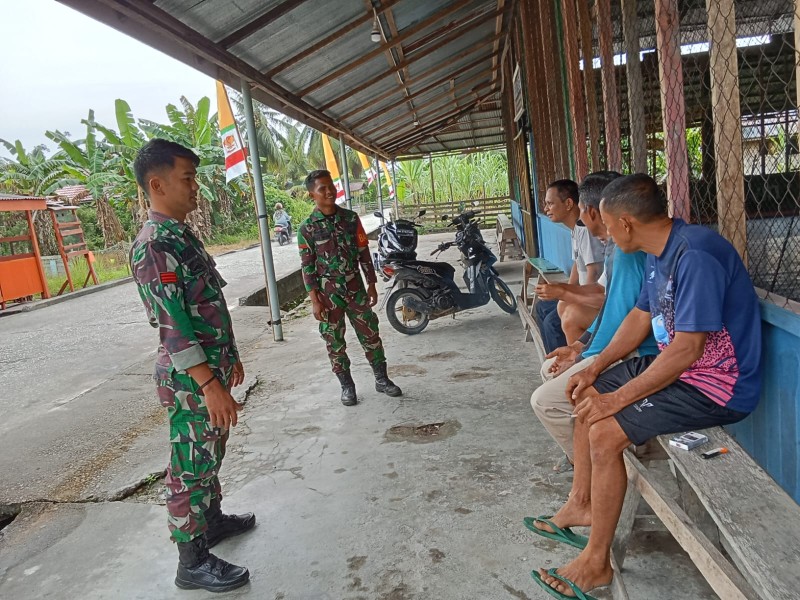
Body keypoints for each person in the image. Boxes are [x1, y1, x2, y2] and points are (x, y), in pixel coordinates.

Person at [531, 174, 761, 599]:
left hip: (715, 386)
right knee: (583, 394)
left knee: (602, 431)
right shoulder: (660, 253)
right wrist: (594, 367)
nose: (605, 233)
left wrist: (617, 398)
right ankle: (582, 501)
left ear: (625, 224)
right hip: (680, 372)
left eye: (607, 223)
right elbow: (638, 319)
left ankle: (597, 562)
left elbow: (688, 350)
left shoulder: (695, 255)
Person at [130, 139, 254, 593]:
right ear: (158, 184)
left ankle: (212, 521)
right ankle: (191, 561)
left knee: (210, 452)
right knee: (190, 465)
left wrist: (230, 357)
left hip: (209, 370)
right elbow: (173, 324)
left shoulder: (180, 235)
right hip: (189, 379)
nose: (195, 187)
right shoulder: (154, 245)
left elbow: (208, 304)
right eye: (188, 178)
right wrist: (208, 383)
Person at [529, 171, 658, 476]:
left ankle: (597, 469)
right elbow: (613, 310)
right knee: (551, 367)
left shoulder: (627, 253)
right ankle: (591, 453)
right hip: (620, 350)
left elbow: (621, 318)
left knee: (545, 401)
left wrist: (586, 357)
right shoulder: (618, 249)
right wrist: (578, 346)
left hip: (638, 356)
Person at [297, 169, 402, 406]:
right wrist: (315, 300)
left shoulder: (351, 219)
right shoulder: (307, 229)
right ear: (311, 194)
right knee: (334, 340)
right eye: (322, 188)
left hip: (356, 290)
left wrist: (372, 284)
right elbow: (307, 266)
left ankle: (382, 379)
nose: (329, 191)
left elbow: (364, 252)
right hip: (328, 295)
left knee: (371, 334)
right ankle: (347, 386)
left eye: (330, 186)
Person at [535, 179, 606, 352]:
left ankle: (561, 360)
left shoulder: (587, 231)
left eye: (550, 204)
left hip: (593, 296)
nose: (546, 209)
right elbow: (577, 262)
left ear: (568, 204)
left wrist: (568, 294)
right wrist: (566, 288)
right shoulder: (576, 229)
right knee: (542, 307)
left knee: (553, 322)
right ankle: (553, 359)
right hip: (587, 292)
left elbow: (594, 272)